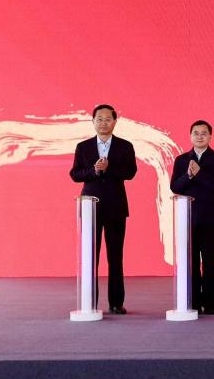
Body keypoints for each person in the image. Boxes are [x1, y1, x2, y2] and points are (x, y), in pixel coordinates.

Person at [69, 104, 137, 314]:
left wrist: (109, 169)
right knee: (91, 256)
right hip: (90, 207)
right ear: (93, 121)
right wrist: (94, 171)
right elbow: (75, 174)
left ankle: (116, 303)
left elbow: (131, 172)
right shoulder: (83, 147)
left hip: (116, 207)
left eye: (108, 119)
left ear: (115, 122)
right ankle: (90, 302)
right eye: (99, 119)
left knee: (115, 256)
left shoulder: (125, 146)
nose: (103, 123)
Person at [170, 120, 214, 315]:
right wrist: (188, 175)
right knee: (192, 261)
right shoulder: (181, 160)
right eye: (196, 133)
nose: (200, 136)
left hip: (211, 217)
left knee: (209, 261)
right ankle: (193, 300)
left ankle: (210, 301)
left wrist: (199, 173)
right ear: (190, 136)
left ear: (210, 136)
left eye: (204, 133)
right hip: (188, 218)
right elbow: (175, 187)